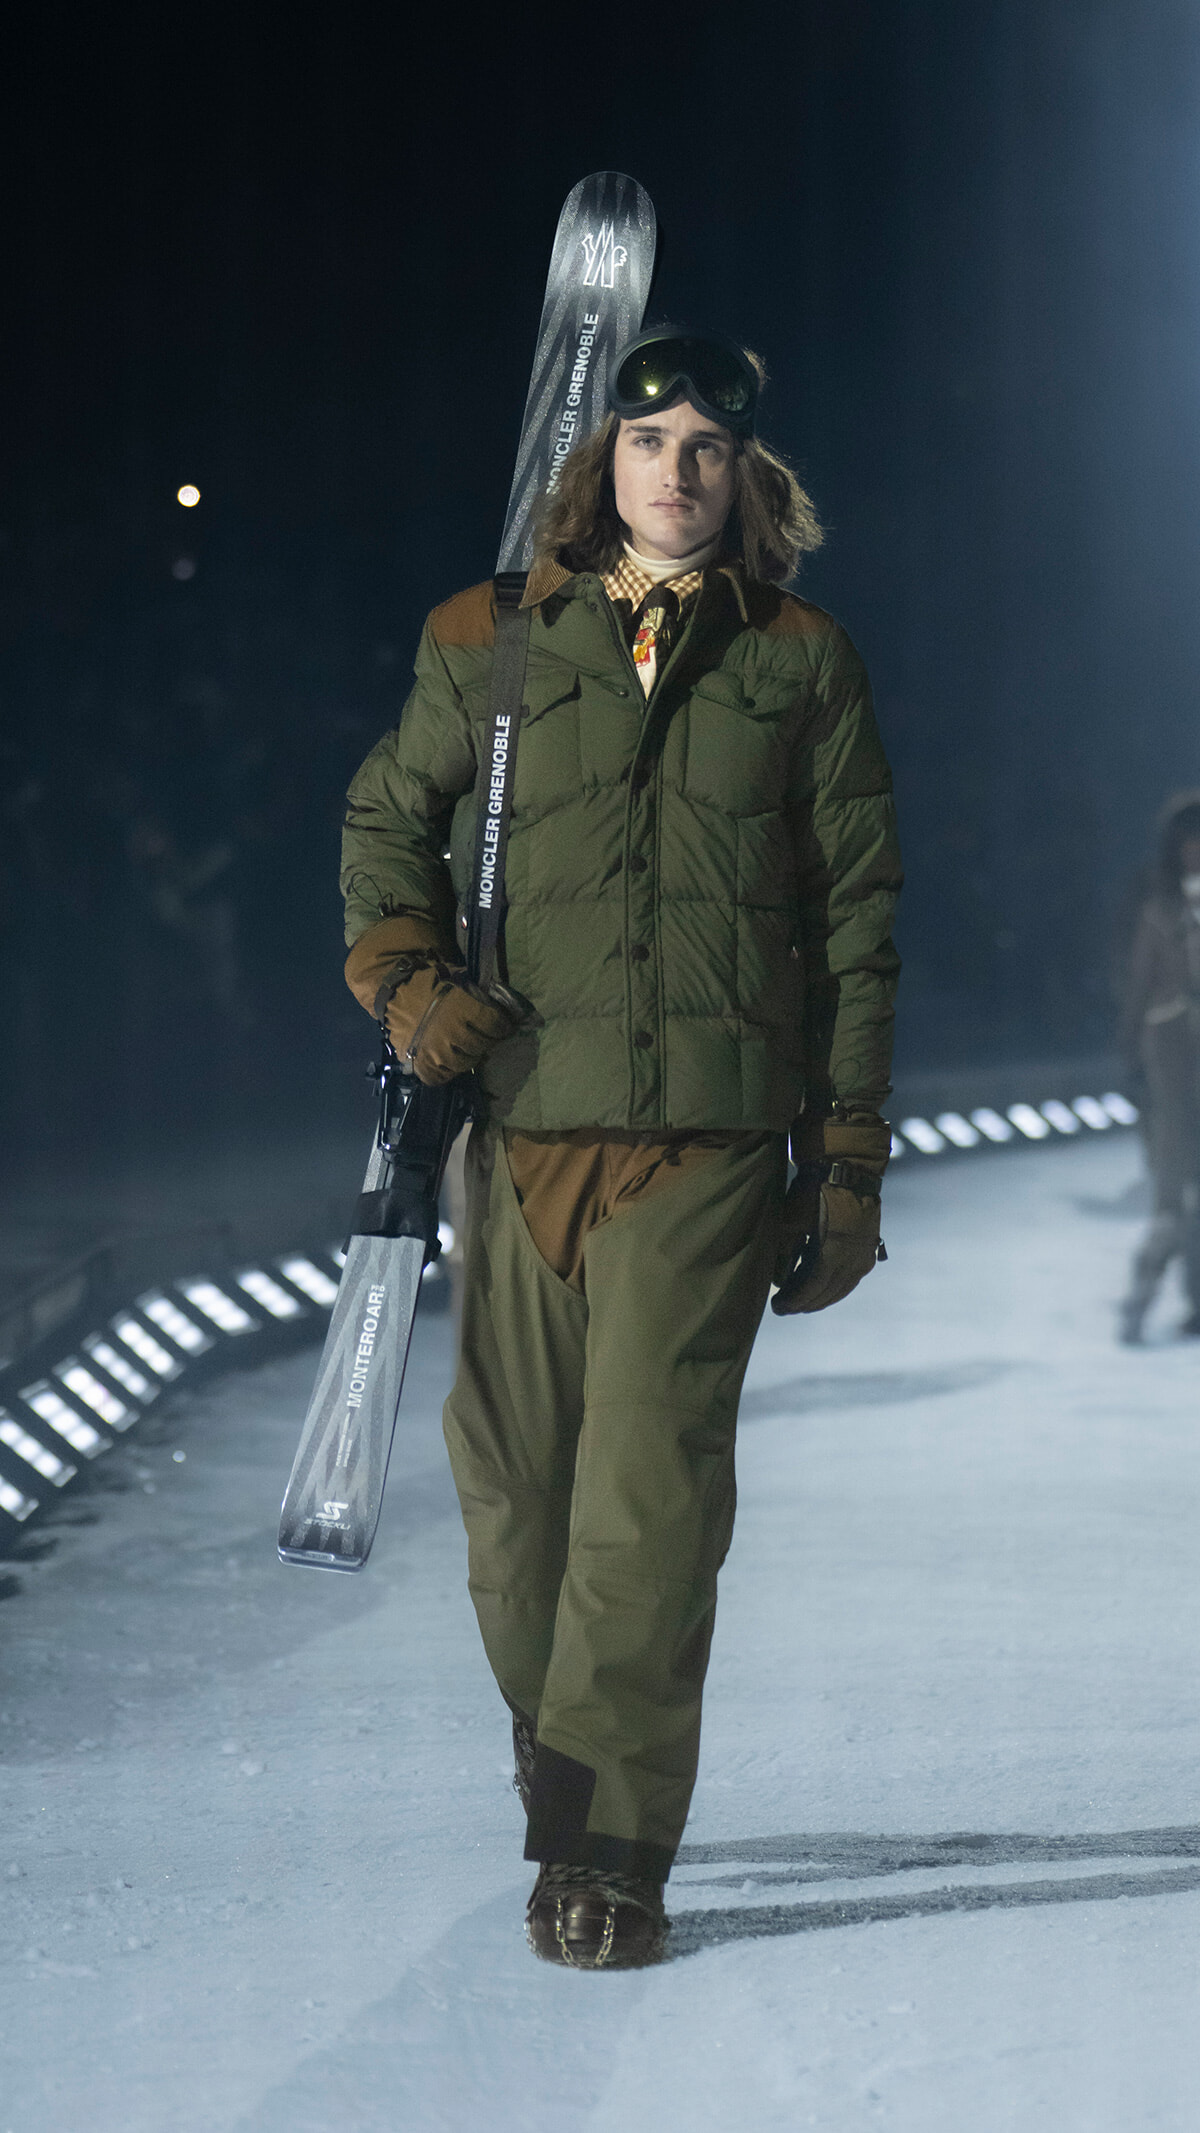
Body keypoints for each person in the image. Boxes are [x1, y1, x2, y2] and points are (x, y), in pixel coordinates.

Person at [338, 327, 902, 1966]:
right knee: (514, 1503)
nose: (676, 468)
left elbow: (859, 921)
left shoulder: (802, 661)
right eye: (646, 437)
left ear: (749, 479)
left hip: (711, 1142)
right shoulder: (492, 643)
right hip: (517, 1128)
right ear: (602, 463)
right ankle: (567, 1746)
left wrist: (848, 1158)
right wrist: (405, 981)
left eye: (709, 445)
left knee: (644, 1504)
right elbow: (385, 820)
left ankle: (611, 1849)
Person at [1117, 791, 1200, 1343]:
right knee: (1175, 1189)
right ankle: (1143, 1295)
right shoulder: (1158, 911)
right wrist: (1130, 1062)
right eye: (1189, 843)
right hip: (1172, 1059)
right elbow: (1138, 987)